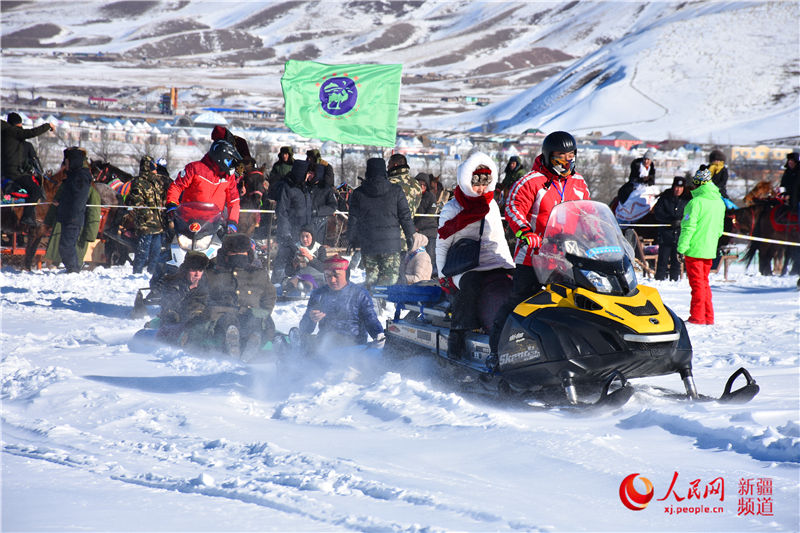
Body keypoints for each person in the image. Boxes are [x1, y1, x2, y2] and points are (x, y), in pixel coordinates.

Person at [491, 131, 590, 355]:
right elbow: (514, 208)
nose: (566, 161)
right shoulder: (531, 181)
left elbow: (587, 215)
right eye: (560, 156)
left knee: (575, 303)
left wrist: (596, 237)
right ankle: (497, 349)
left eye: (570, 155)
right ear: (547, 156)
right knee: (521, 302)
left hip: (567, 258)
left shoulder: (579, 183)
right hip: (532, 256)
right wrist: (526, 231)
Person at [437, 152, 515, 359]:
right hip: (464, 265)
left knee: (514, 284)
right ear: (466, 181)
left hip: (492, 261)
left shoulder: (490, 206)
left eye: (485, 184)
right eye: (476, 184)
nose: (481, 189)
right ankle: (458, 335)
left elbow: (499, 239)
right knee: (471, 286)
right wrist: (443, 275)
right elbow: (442, 243)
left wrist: (509, 264)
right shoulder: (452, 208)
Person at [203, 233, 277, 358]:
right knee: (228, 321)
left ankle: (253, 342)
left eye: (242, 253)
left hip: (252, 317)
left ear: (248, 254)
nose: (239, 257)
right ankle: (232, 344)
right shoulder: (212, 275)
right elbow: (203, 298)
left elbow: (269, 297)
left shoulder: (259, 275)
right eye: (234, 253)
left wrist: (263, 313)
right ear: (225, 255)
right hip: (222, 321)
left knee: (256, 321)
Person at [347, 157, 415, 288]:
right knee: (389, 280)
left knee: (371, 279)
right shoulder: (396, 190)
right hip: (391, 245)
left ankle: (373, 303)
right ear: (384, 171)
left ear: (368, 172)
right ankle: (384, 303)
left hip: (368, 244)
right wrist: (410, 235)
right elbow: (405, 216)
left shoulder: (358, 193)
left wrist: (351, 239)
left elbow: (353, 219)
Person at [298, 255, 384, 349]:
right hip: (325, 347)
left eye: (336, 275)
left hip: (354, 347)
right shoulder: (319, 294)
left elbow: (370, 319)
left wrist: (378, 334)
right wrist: (311, 319)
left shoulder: (359, 294)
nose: (332, 280)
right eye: (328, 276)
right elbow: (304, 329)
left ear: (346, 275)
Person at [273, 159, 337, 282]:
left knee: (300, 261)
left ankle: (301, 283)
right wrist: (285, 232)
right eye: (307, 174)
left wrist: (309, 229)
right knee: (283, 258)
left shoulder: (304, 189)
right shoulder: (288, 188)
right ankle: (276, 284)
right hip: (289, 232)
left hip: (301, 232)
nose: (309, 177)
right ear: (301, 173)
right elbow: (282, 212)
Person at [677, 167, 726, 325]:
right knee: (704, 283)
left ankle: (697, 317)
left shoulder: (695, 203)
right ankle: (708, 316)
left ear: (698, 184)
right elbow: (719, 230)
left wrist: (681, 248)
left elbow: (688, 227)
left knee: (697, 285)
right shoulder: (719, 202)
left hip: (695, 249)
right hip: (709, 250)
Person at [166, 139, 242, 234]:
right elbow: (177, 186)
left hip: (214, 224)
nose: (231, 164)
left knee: (222, 247)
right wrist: (172, 204)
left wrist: (232, 221)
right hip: (188, 221)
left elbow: (234, 201)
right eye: (229, 160)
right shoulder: (194, 169)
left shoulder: (228, 177)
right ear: (220, 157)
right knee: (175, 244)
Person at [47, 147, 96, 273]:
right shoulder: (73, 176)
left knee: (66, 247)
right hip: (67, 216)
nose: (65, 165)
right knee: (65, 246)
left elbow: (78, 200)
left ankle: (73, 270)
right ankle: (72, 269)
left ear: (73, 161)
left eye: (67, 162)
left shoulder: (81, 177)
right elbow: (70, 197)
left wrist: (64, 207)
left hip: (73, 217)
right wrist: (60, 203)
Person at [1, 112, 54, 226]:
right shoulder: (11, 132)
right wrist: (47, 126)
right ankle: (27, 217)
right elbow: (31, 133)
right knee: (36, 191)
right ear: (17, 125)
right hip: (15, 172)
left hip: (8, 170)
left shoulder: (6, 134)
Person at [152, 251, 210, 346]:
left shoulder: (206, 284)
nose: (197, 274)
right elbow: (169, 307)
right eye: (193, 270)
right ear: (186, 270)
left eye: (200, 270)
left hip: (199, 321)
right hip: (178, 322)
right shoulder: (172, 284)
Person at [126, 156, 166, 275]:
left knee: (156, 253)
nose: (155, 171)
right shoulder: (138, 183)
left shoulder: (156, 183)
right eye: (153, 168)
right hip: (146, 225)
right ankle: (137, 274)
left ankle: (151, 274)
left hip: (158, 225)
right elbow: (136, 202)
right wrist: (147, 216)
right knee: (143, 253)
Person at [652, 176, 690, 281]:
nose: (678, 190)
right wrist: (670, 220)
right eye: (676, 187)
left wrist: (680, 221)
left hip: (679, 236)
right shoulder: (665, 198)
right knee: (662, 261)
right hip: (666, 235)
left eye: (680, 187)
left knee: (676, 262)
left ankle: (674, 282)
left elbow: (690, 216)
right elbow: (658, 213)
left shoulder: (687, 200)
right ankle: (659, 281)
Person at [281, 225, 328, 296]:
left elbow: (323, 268)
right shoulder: (295, 248)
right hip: (299, 276)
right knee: (291, 282)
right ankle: (291, 290)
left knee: (308, 283)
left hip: (316, 277)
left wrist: (309, 257)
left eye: (307, 236)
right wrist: (294, 263)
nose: (304, 239)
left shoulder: (319, 248)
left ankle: (304, 289)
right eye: (302, 237)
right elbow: (288, 272)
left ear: (312, 236)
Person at [615, 149, 659, 223]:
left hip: (647, 187)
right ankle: (630, 216)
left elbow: (652, 180)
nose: (646, 161)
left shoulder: (651, 168)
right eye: (645, 159)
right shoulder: (637, 165)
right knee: (633, 198)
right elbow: (632, 178)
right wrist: (642, 179)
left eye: (648, 160)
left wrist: (649, 180)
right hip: (636, 186)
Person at [413, 172, 439, 276]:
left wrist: (417, 227)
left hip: (429, 230)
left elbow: (430, 215)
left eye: (424, 185)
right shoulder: (412, 196)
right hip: (413, 231)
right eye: (419, 184)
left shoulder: (431, 197)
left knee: (430, 255)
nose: (422, 187)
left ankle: (431, 274)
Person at [387, 153, 422, 219]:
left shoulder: (390, 183)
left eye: (389, 164)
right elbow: (416, 205)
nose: (387, 167)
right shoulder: (416, 183)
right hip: (408, 226)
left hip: (392, 226)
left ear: (395, 165)